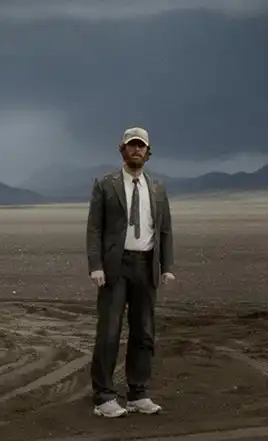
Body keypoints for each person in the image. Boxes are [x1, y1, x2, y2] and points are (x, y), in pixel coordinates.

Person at [86, 126, 176, 418]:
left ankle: (139, 394)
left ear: (148, 152)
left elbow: (165, 229)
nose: (136, 150)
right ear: (122, 149)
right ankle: (103, 397)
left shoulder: (158, 188)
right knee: (109, 332)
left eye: (141, 146)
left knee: (144, 332)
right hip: (115, 267)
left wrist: (167, 267)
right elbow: (94, 228)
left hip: (146, 266)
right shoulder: (105, 184)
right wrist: (96, 266)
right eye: (131, 145)